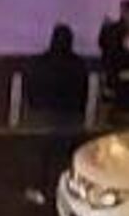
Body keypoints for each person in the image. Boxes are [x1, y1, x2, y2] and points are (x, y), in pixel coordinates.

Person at [23, 22, 90, 204]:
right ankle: (67, 194)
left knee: (40, 155)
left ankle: (38, 191)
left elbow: (30, 90)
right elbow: (83, 93)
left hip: (43, 116)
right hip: (70, 118)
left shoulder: (38, 63)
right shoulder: (78, 65)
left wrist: (35, 107)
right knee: (68, 158)